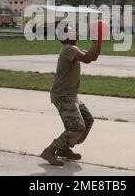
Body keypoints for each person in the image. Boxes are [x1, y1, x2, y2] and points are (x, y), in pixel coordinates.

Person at [41, 27, 102, 166]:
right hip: (63, 95)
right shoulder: (68, 48)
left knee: (88, 120)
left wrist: (98, 43)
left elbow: (93, 57)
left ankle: (63, 149)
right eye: (72, 31)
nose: (75, 32)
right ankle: (50, 150)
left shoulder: (72, 48)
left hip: (71, 95)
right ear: (66, 36)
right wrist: (96, 41)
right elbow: (87, 59)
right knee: (77, 127)